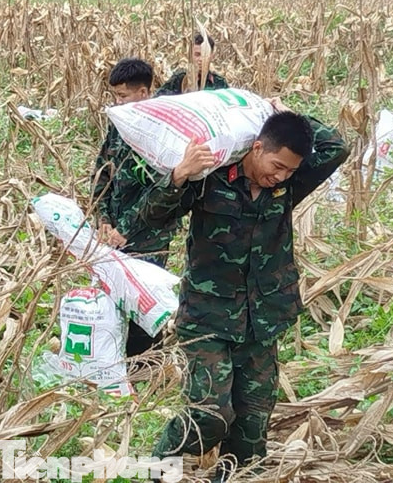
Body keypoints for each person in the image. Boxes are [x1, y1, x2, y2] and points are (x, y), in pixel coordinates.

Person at [140, 100, 349, 481]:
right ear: (256, 148)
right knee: (209, 415)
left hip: (263, 318)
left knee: (252, 425)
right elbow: (152, 215)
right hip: (207, 317)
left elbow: (337, 147)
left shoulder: (288, 186)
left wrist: (292, 114)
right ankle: (156, 468)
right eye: (277, 165)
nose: (281, 176)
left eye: (290, 170)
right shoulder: (211, 177)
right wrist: (178, 176)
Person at [92, 57, 179, 357]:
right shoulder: (119, 124)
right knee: (112, 295)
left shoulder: (162, 133)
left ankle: (144, 365)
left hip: (149, 232)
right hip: (114, 228)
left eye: (123, 96)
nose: (117, 102)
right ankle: (112, 358)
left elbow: (162, 191)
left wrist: (126, 229)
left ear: (143, 93)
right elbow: (103, 169)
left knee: (145, 300)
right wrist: (103, 217)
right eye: (114, 96)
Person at [156, 33, 229, 96]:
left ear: (212, 56)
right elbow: (159, 100)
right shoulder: (179, 79)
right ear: (191, 55)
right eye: (197, 55)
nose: (200, 59)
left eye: (205, 54)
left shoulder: (220, 83)